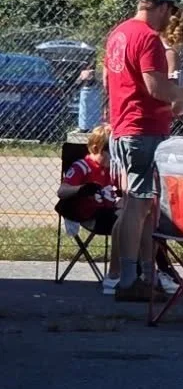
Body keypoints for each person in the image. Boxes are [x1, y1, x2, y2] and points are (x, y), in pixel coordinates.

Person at [103, 0, 183, 302]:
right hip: (142, 129)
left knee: (143, 205)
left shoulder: (119, 33)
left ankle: (145, 274)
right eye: (168, 10)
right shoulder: (147, 39)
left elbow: (110, 79)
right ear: (159, 6)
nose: (169, 17)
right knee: (137, 204)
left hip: (123, 126)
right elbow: (155, 88)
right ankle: (128, 280)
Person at [56, 122, 120, 286]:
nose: (113, 158)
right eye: (110, 153)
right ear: (97, 148)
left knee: (138, 221)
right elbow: (62, 191)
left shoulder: (112, 169)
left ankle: (141, 272)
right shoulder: (82, 167)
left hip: (110, 211)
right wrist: (82, 188)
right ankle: (118, 273)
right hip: (91, 216)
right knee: (126, 224)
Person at [75, 66, 103, 133]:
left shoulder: (95, 73)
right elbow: (77, 82)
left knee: (91, 109)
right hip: (87, 91)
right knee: (85, 110)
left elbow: (77, 82)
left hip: (93, 92)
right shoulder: (84, 72)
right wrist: (84, 76)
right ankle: (85, 126)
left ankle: (89, 126)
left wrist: (93, 76)